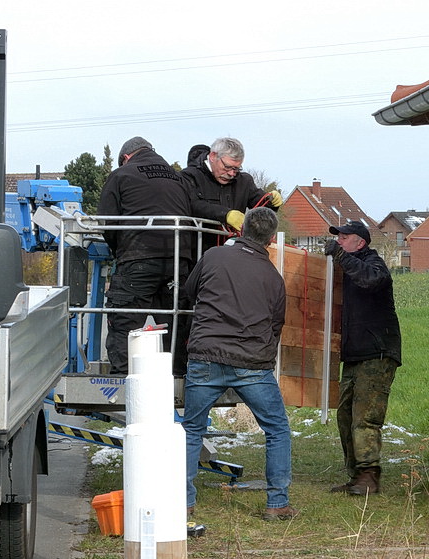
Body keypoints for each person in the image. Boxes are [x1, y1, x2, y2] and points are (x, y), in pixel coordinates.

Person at [182, 207, 297, 521]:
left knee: (192, 429)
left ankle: (183, 504)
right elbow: (276, 325)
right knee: (276, 430)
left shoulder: (214, 256)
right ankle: (277, 504)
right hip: (251, 363)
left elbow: (189, 293)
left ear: (241, 229)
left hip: (205, 356)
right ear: (271, 239)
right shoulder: (273, 278)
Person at [97, 136, 194, 375]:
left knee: (126, 321)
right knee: (177, 322)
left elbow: (107, 222)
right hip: (179, 260)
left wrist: (117, 252)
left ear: (126, 157)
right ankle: (177, 377)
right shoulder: (178, 178)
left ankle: (122, 382)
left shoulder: (121, 175)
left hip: (138, 258)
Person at [324, 221, 402, 495]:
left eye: (345, 238)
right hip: (355, 355)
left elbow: (370, 280)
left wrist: (341, 257)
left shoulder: (373, 264)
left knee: (365, 417)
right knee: (345, 416)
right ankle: (356, 474)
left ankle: (369, 475)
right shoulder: (347, 267)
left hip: (377, 352)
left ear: (361, 243)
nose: (339, 241)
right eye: (338, 238)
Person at [179, 137, 283, 252]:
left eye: (236, 169)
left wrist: (271, 202)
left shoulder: (244, 181)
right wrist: (224, 214)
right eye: (227, 167)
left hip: (232, 257)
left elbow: (260, 208)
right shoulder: (189, 177)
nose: (231, 173)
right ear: (213, 156)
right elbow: (191, 205)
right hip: (196, 256)